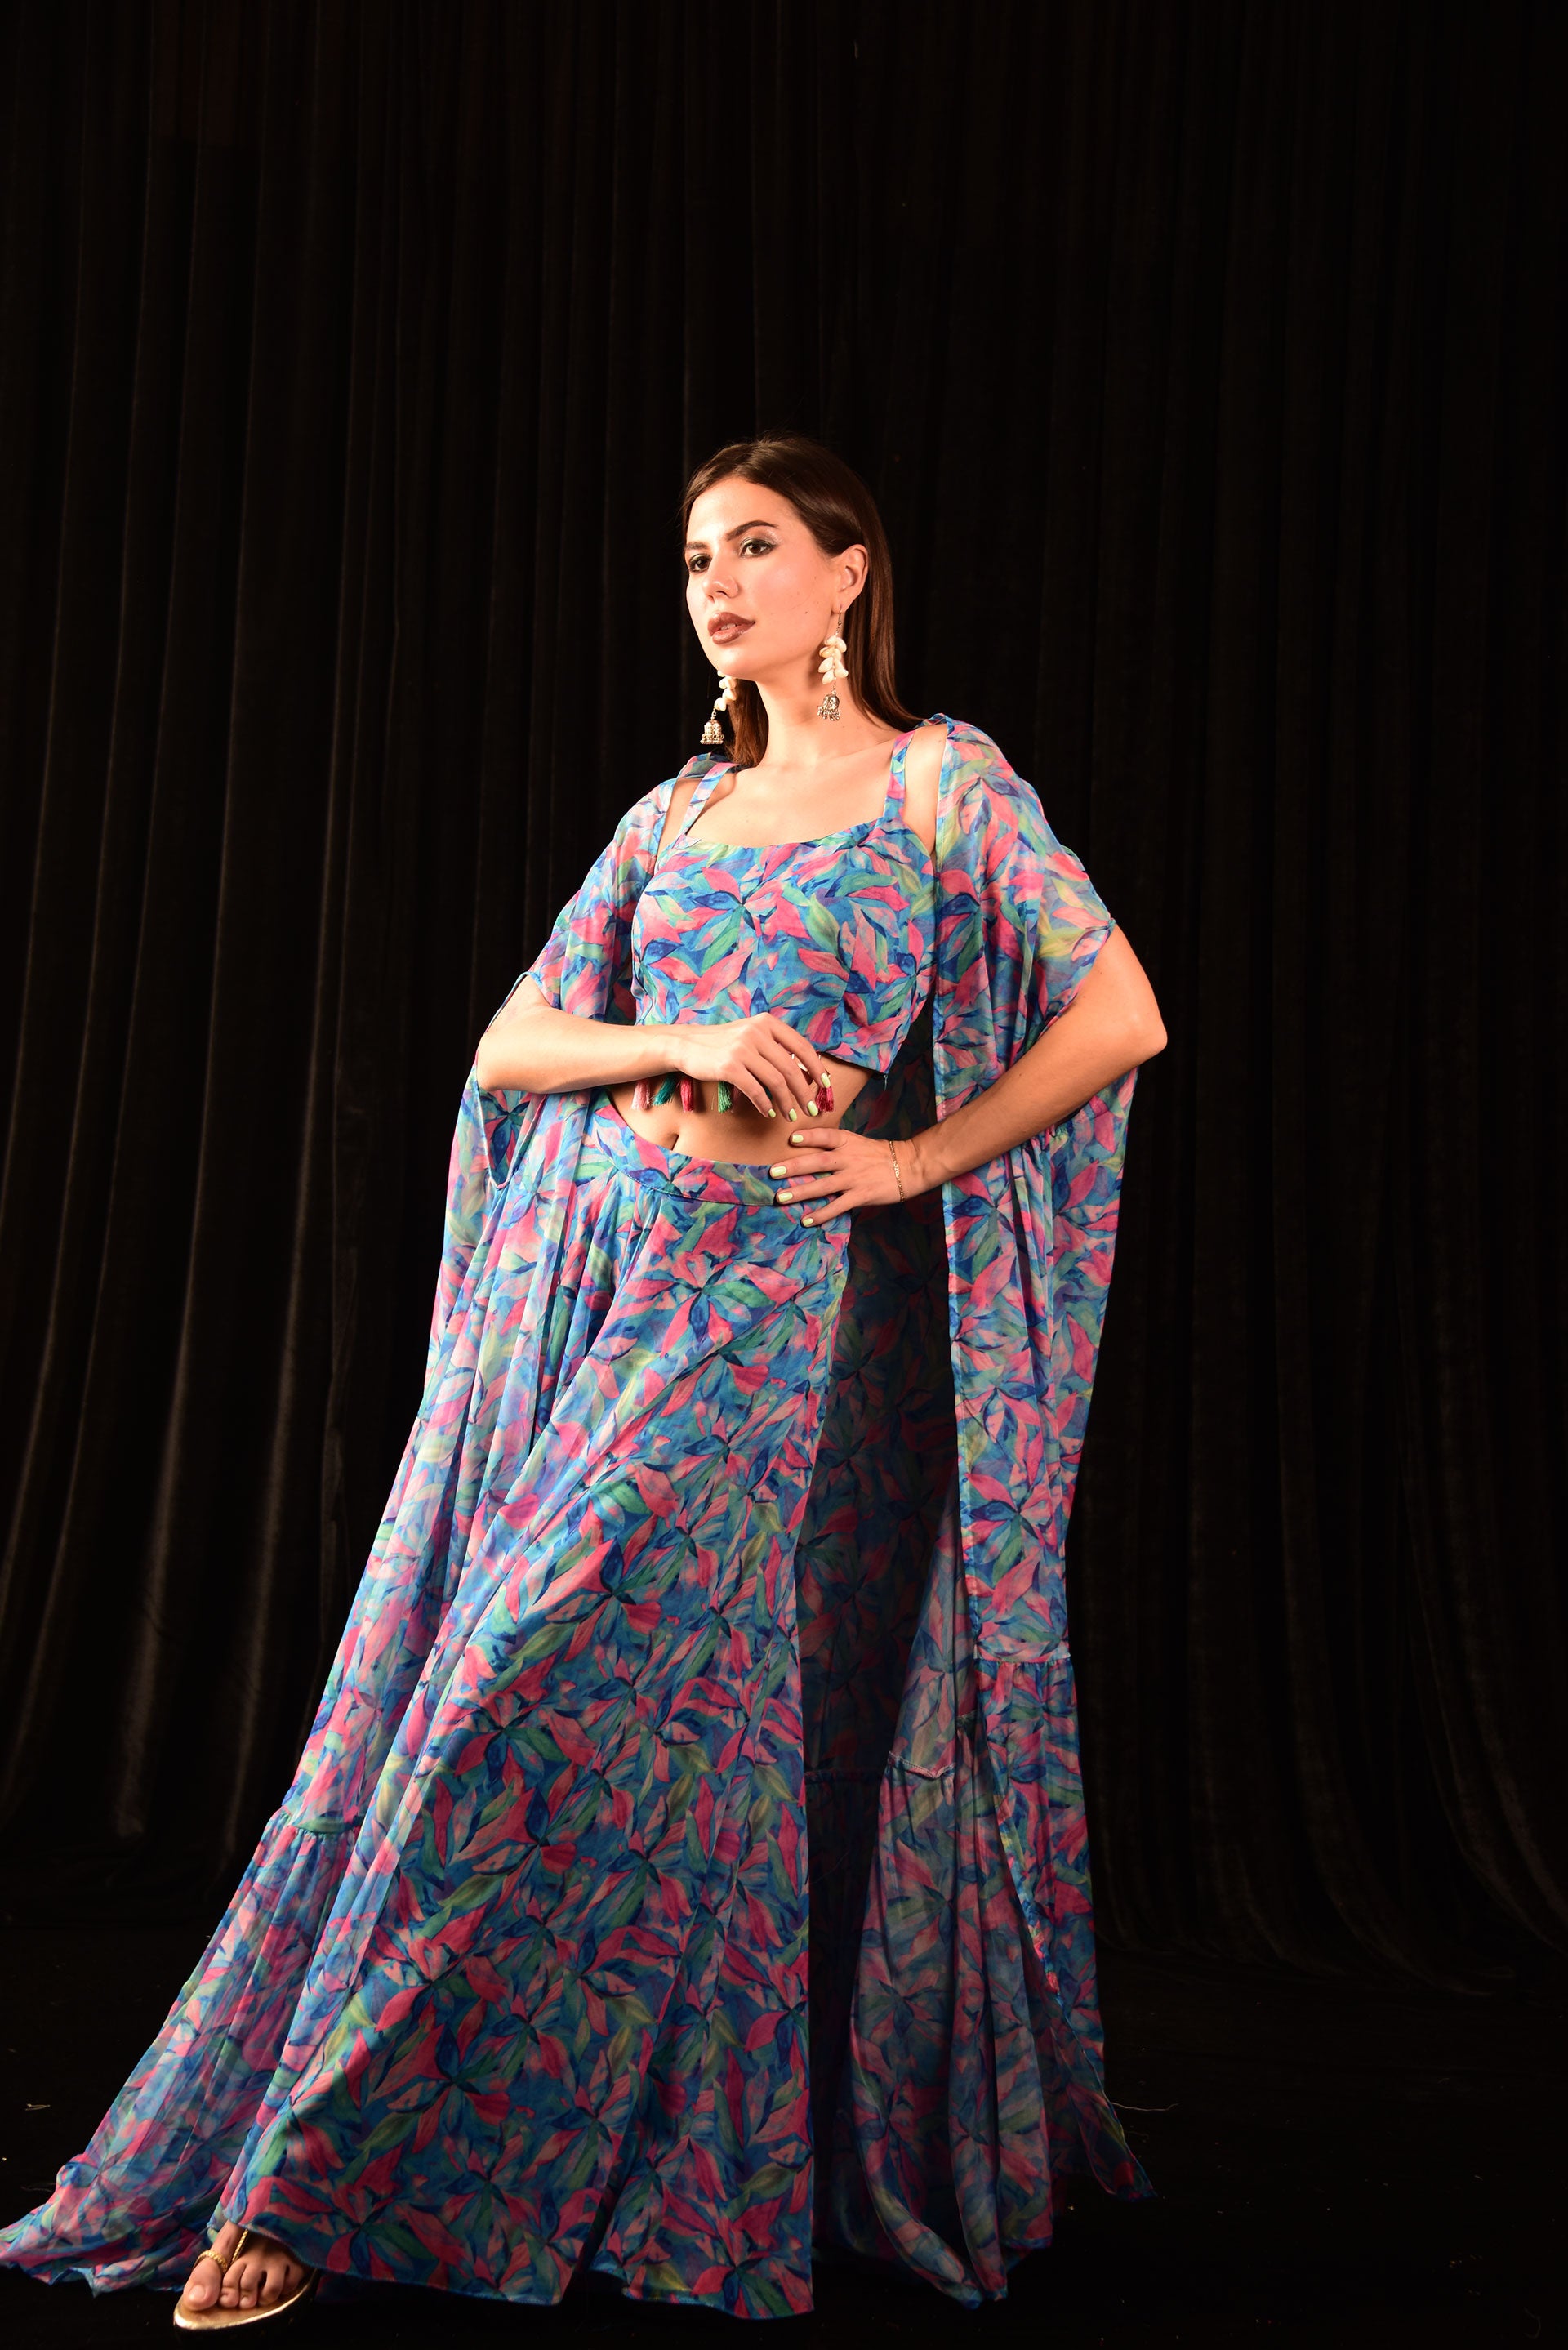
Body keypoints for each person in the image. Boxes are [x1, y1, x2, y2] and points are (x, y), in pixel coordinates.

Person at [0, 435, 1165, 2328]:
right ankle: (419, 2162)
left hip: (764, 1308)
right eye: (699, 556)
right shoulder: (676, 814)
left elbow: (1121, 1011)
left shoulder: (944, 786)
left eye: (759, 546)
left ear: (849, 573)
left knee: (514, 1688)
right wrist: (680, 1029)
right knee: (548, 1712)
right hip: (612, 1271)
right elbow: (515, 1039)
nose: (719, 584)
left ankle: (318, 2171)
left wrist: (913, 1162)